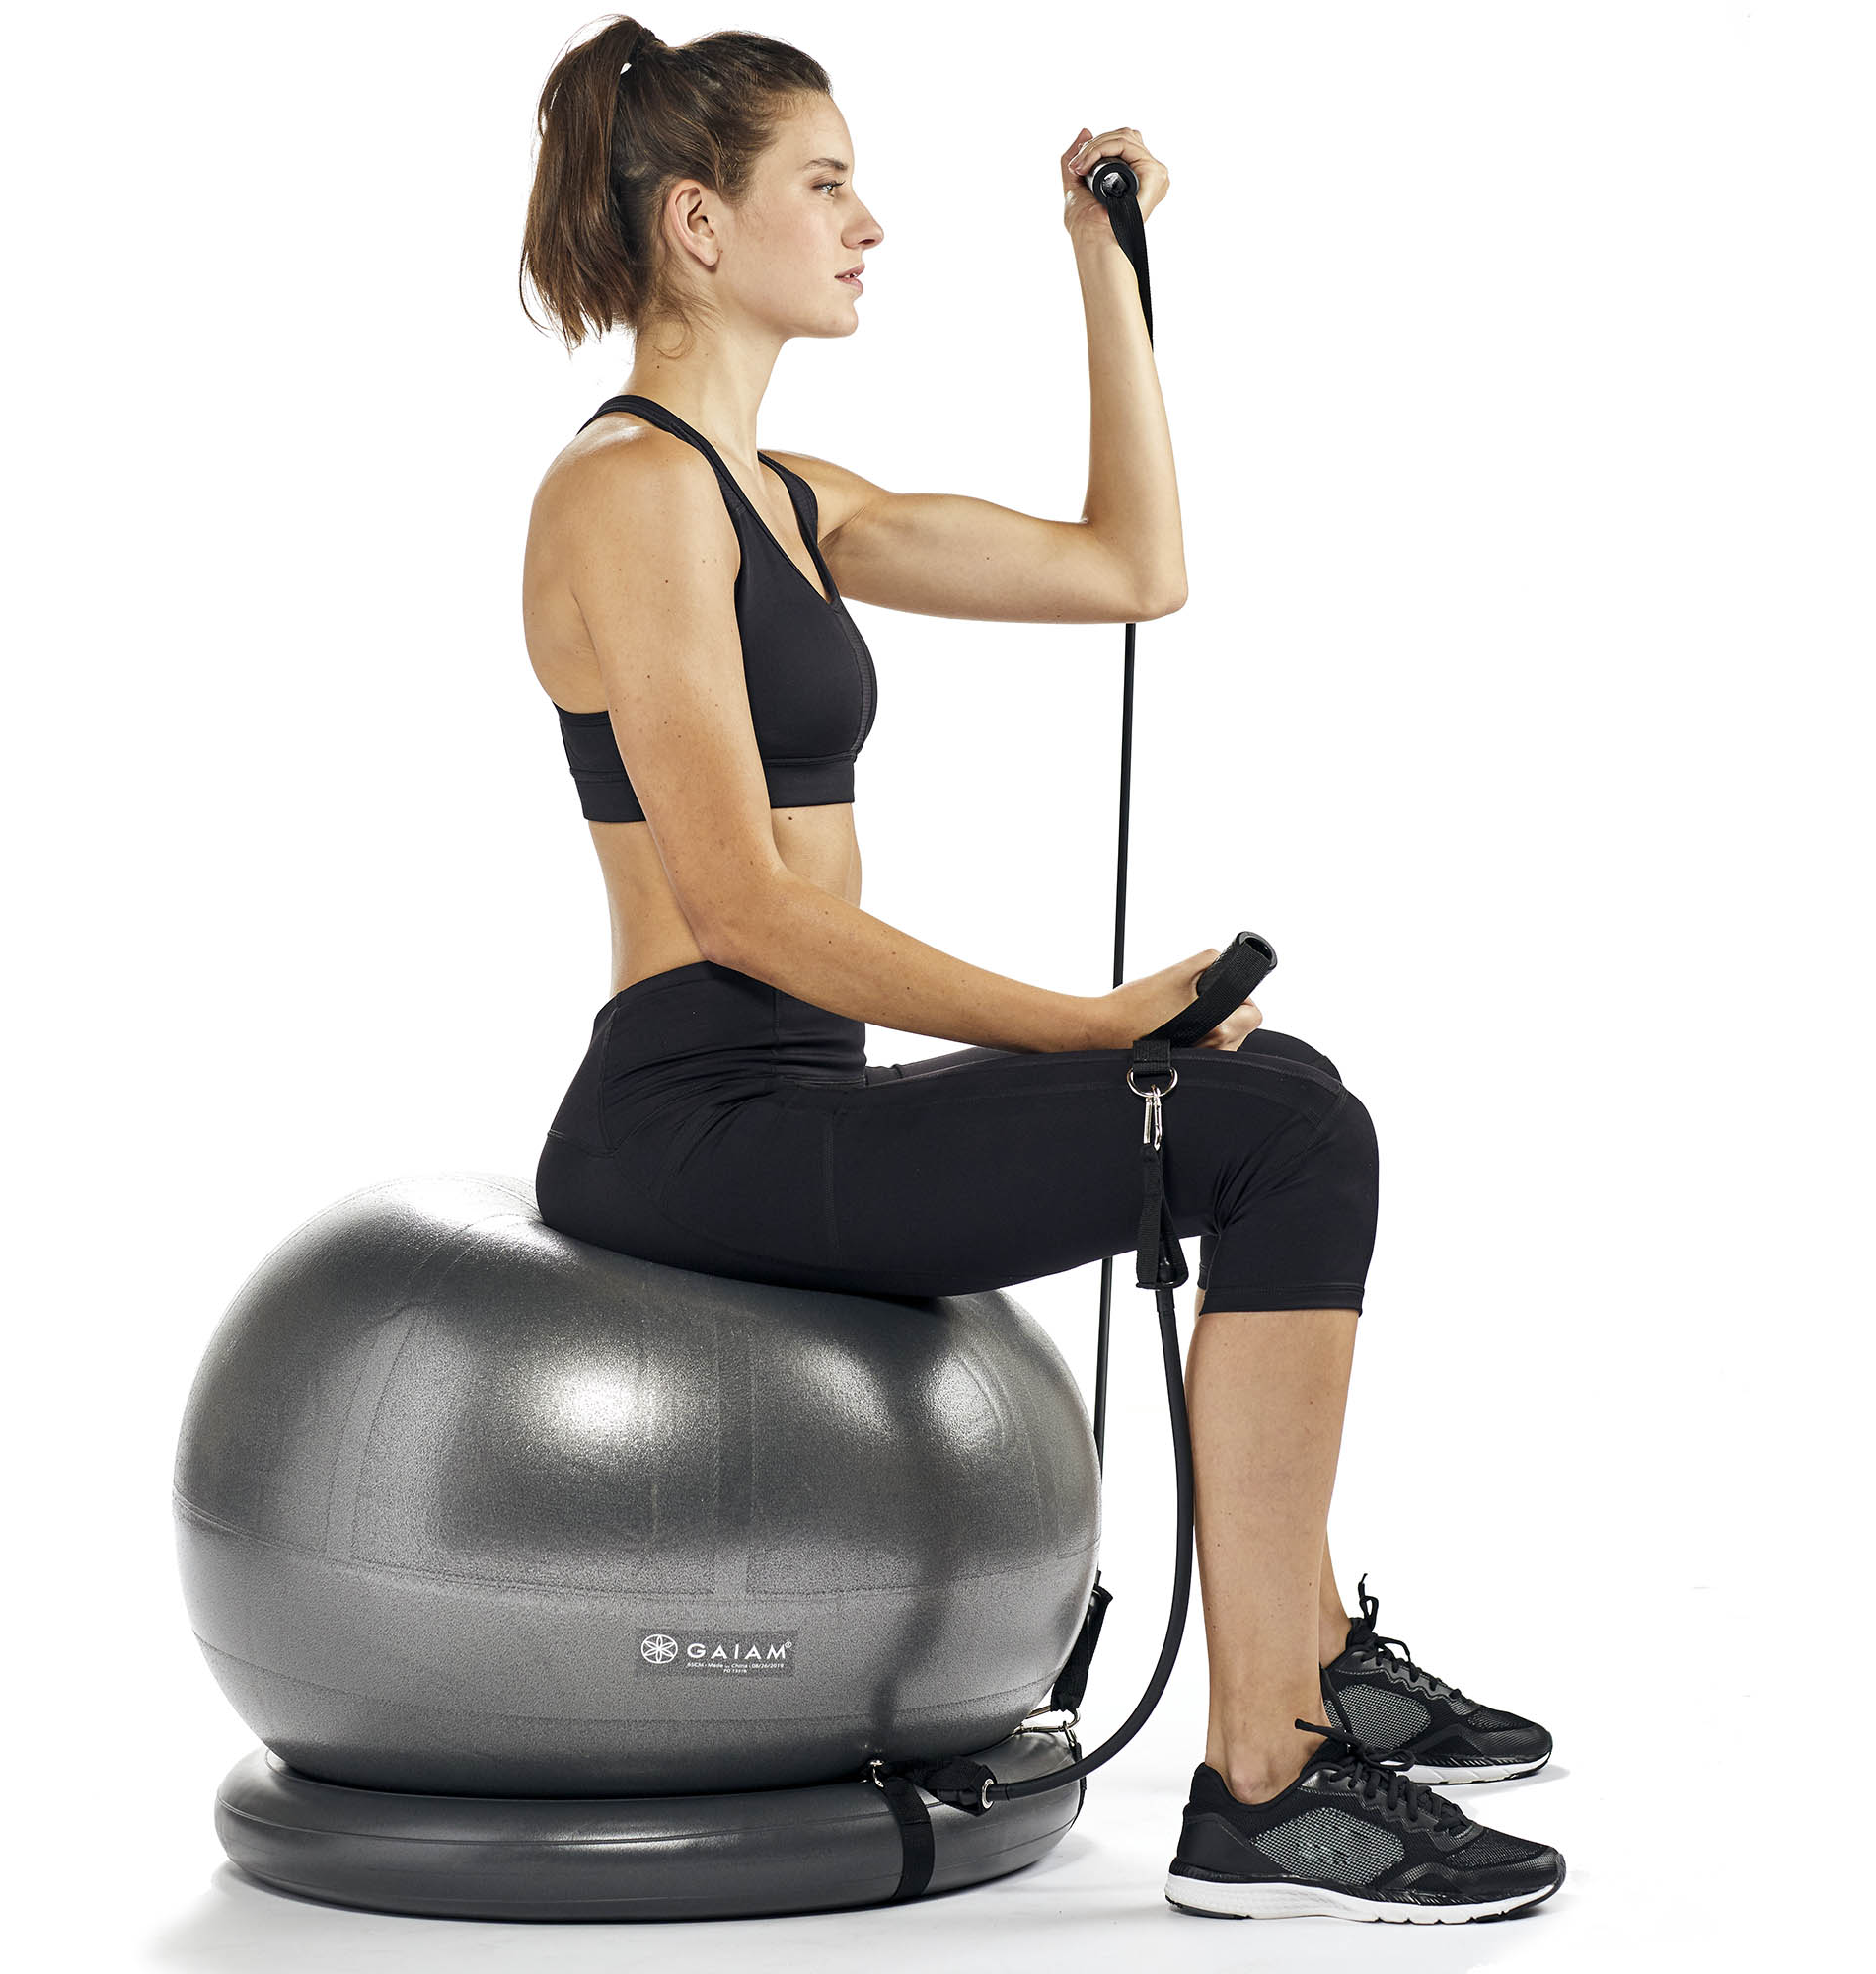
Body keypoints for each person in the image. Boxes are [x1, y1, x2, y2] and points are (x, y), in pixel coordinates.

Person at [517, 16, 1564, 1925]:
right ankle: (1269, 1791)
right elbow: (744, 910)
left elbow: (1131, 568)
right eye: (826, 184)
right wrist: (1100, 1026)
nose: (868, 223)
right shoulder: (625, 494)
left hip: (792, 1095)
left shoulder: (785, 495)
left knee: (1289, 1091)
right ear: (698, 225)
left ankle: (1315, 1664)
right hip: (692, 1123)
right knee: (1281, 1140)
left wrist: (1104, 265)